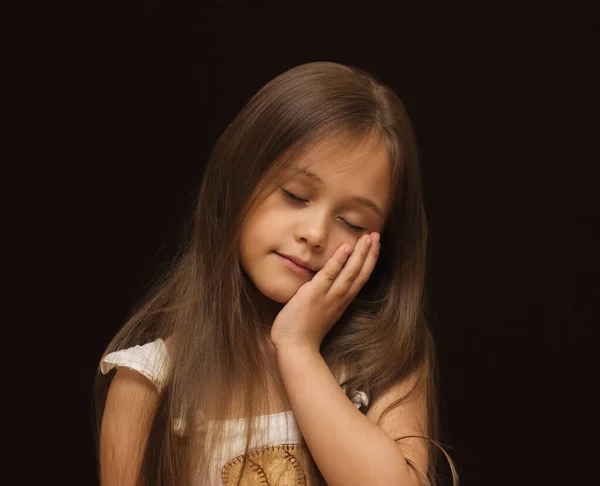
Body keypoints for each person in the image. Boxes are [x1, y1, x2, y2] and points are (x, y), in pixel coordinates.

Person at [95, 61, 457, 486]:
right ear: (238, 179)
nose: (314, 234)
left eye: (354, 223)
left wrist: (299, 348)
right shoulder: (152, 385)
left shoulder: (383, 357)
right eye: (295, 195)